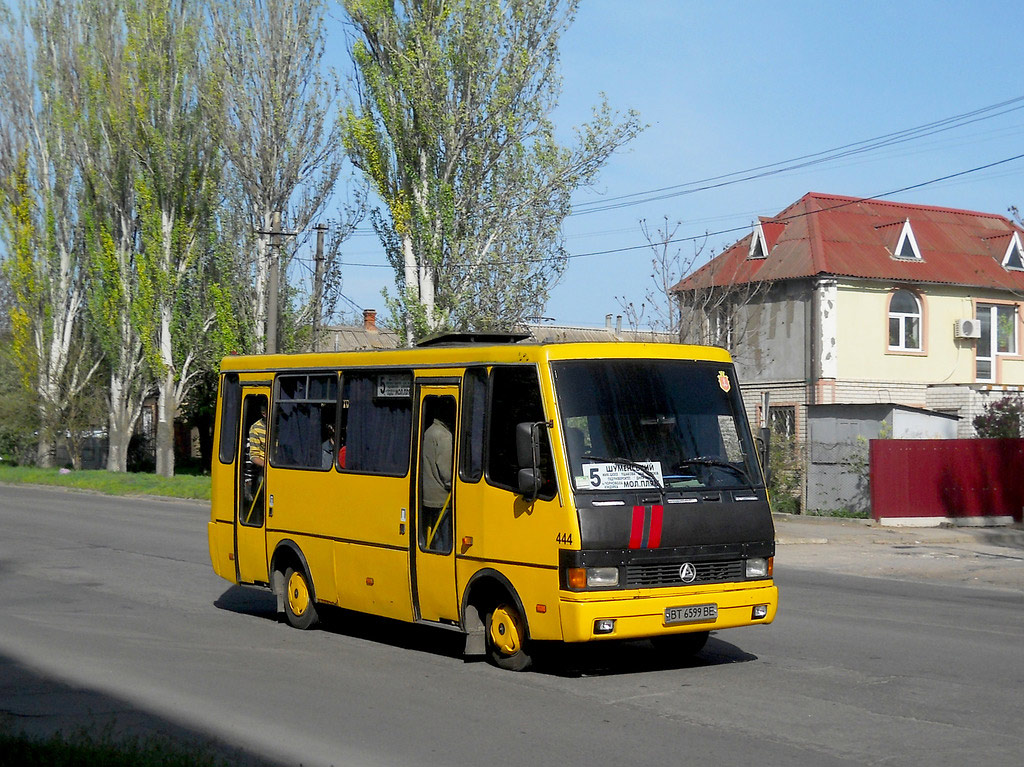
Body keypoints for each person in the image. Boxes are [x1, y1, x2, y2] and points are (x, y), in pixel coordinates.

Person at [420, 402, 453, 552]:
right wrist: (452, 484)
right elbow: (446, 470)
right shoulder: (444, 436)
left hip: (428, 494)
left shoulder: (429, 431)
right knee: (444, 541)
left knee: (433, 535)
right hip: (442, 498)